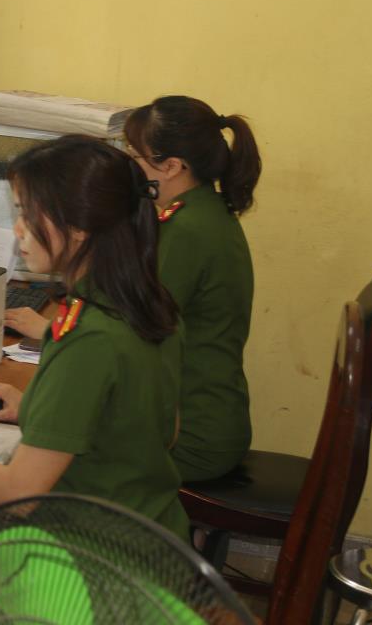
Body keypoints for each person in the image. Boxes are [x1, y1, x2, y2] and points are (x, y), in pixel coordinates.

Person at [0, 135, 189, 540]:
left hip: (90, 554)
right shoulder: (148, 305)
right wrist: (41, 410)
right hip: (152, 535)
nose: (18, 229)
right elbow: (163, 431)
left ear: (79, 227)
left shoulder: (88, 336)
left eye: (28, 213)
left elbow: (19, 493)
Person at [123, 95, 260, 482]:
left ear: (171, 166)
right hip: (205, 417)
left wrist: (49, 330)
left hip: (190, 437)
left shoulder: (187, 229)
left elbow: (136, 330)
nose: (128, 164)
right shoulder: (205, 210)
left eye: (134, 155)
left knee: (61, 458)